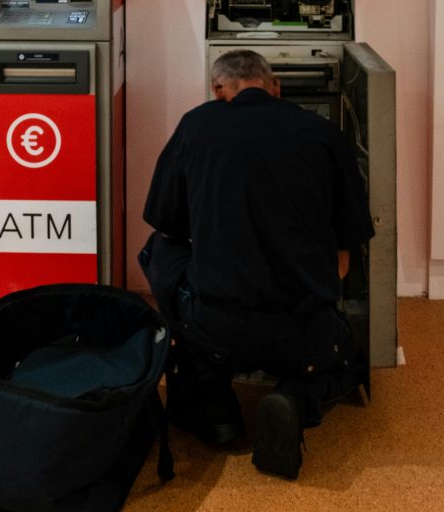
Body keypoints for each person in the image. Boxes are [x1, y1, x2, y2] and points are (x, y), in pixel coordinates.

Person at [139, 49, 374, 480]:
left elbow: (164, 220)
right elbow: (349, 246)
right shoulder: (323, 133)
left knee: (158, 248)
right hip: (300, 329)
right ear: (275, 86)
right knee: (349, 361)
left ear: (218, 89)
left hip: (217, 325)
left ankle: (216, 404)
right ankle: (294, 398)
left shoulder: (196, 125)